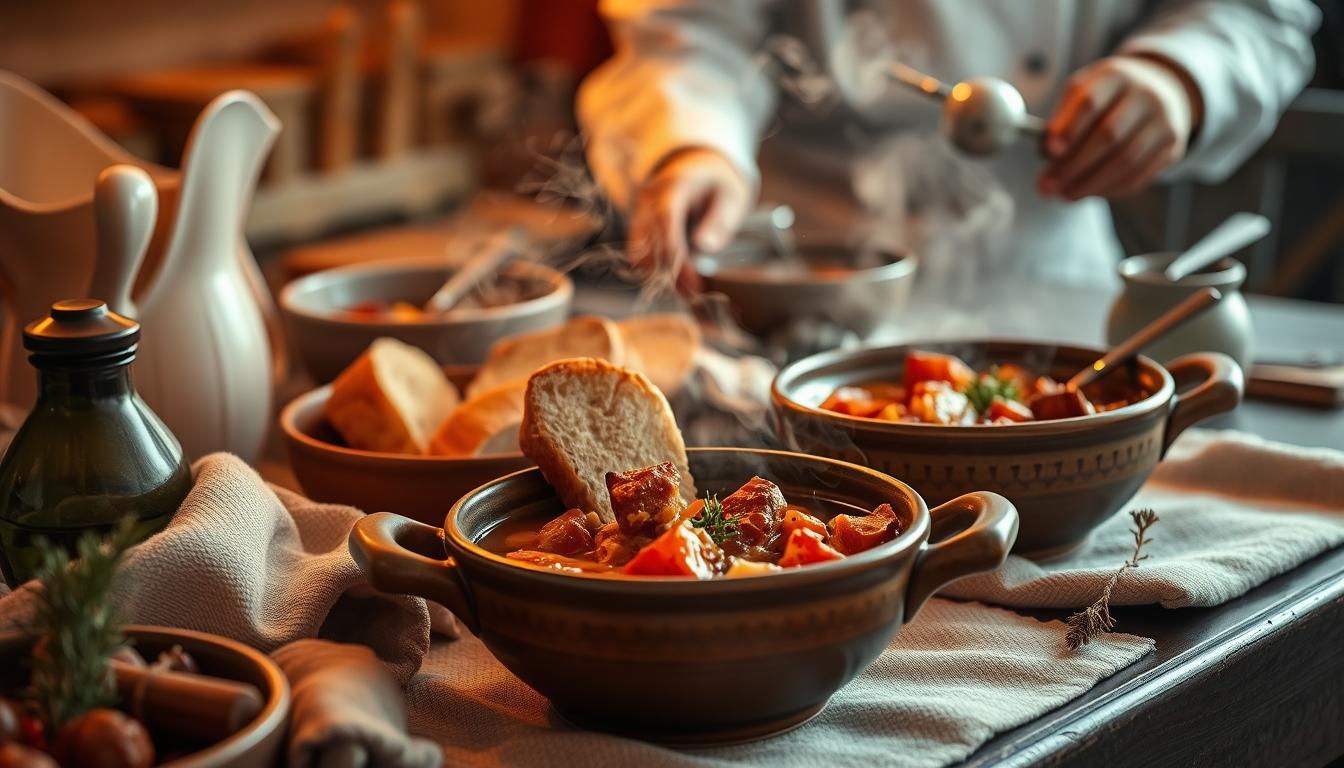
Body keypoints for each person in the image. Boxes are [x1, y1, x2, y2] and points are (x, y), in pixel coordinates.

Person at [577, 0, 1320, 293]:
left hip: (1043, 284)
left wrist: (1180, 78)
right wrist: (692, 144)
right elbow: (687, 35)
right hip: (793, 278)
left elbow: (1257, 13)